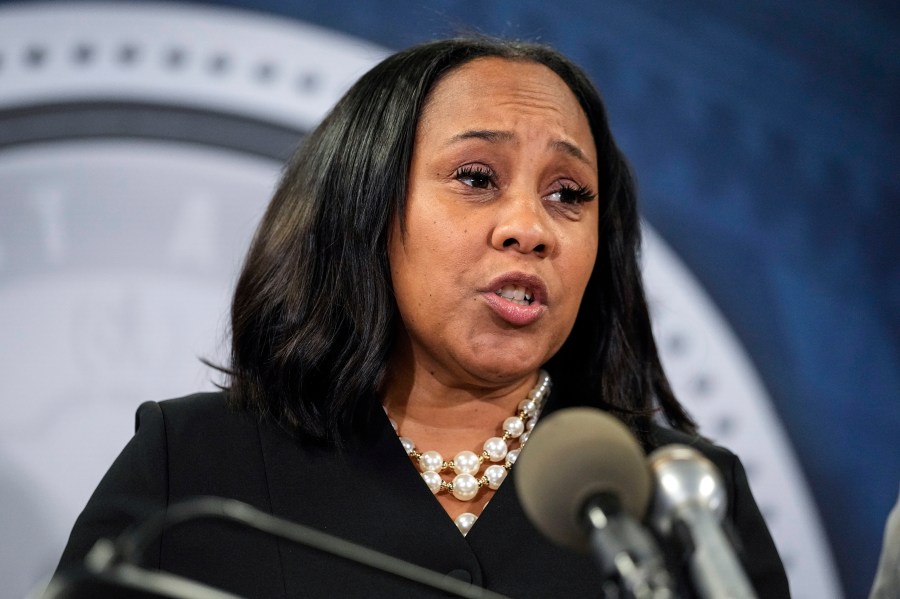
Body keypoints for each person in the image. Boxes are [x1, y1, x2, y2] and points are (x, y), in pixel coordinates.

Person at [54, 37, 790, 597]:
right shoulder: (195, 462)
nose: (529, 227)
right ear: (365, 207)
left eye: (569, 193)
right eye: (476, 177)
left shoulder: (684, 500)